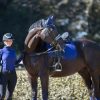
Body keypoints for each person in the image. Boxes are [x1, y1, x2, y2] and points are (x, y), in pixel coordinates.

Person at [0, 33, 22, 100]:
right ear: (4, 41)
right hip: (3, 75)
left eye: (11, 40)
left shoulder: (13, 51)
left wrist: (22, 57)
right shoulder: (1, 51)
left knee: (9, 96)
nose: (9, 42)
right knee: (1, 95)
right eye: (7, 41)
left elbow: (15, 63)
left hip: (13, 75)